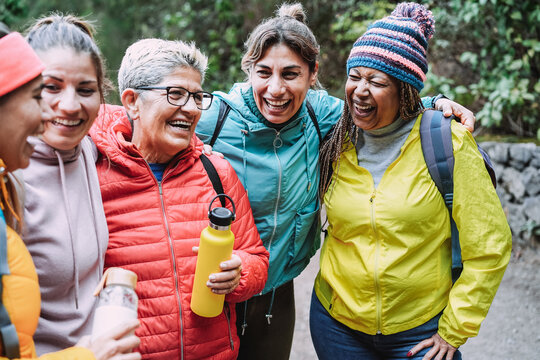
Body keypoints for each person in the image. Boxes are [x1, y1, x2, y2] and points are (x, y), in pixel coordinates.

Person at [195, 3, 476, 359]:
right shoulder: (212, 117)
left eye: (291, 74)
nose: (275, 89)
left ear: (313, 74)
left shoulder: (321, 114)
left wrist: (435, 103)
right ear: (249, 70)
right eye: (264, 72)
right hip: (209, 281)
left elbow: (381, 101)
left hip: (274, 292)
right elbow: (149, 122)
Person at [310, 3, 512, 359]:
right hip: (336, 324)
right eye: (354, 76)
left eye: (377, 81)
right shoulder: (335, 139)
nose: (359, 90)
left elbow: (489, 246)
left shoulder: (446, 141)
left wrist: (454, 330)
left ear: (405, 90)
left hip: (420, 331)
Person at [89, 38, 269, 360]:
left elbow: (256, 257)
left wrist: (240, 273)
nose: (190, 108)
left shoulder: (217, 172)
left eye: (198, 96)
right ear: (132, 102)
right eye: (175, 93)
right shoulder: (92, 175)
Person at [0, 24, 139, 360]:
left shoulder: (90, 149)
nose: (68, 105)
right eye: (47, 90)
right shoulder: (12, 176)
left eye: (85, 89)